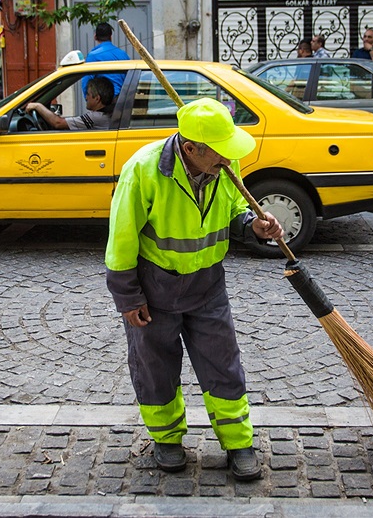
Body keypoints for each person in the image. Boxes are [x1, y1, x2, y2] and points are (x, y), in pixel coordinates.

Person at [105, 97, 284, 481]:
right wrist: (128, 297)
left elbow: (236, 210)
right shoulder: (143, 170)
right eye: (221, 153)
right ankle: (167, 439)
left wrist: (253, 225)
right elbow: (121, 239)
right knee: (155, 368)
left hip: (207, 286)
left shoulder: (224, 164)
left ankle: (238, 442)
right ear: (191, 149)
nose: (228, 159)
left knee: (223, 363)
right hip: (155, 291)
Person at [25, 76, 114, 130]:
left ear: (97, 98)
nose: (86, 97)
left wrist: (38, 106)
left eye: (88, 94)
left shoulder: (96, 117)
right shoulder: (105, 115)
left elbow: (58, 123)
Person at [84, 23, 129, 96]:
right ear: (111, 36)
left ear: (95, 36)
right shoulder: (123, 54)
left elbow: (86, 82)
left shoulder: (93, 56)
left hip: (103, 101)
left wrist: (89, 100)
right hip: (122, 101)